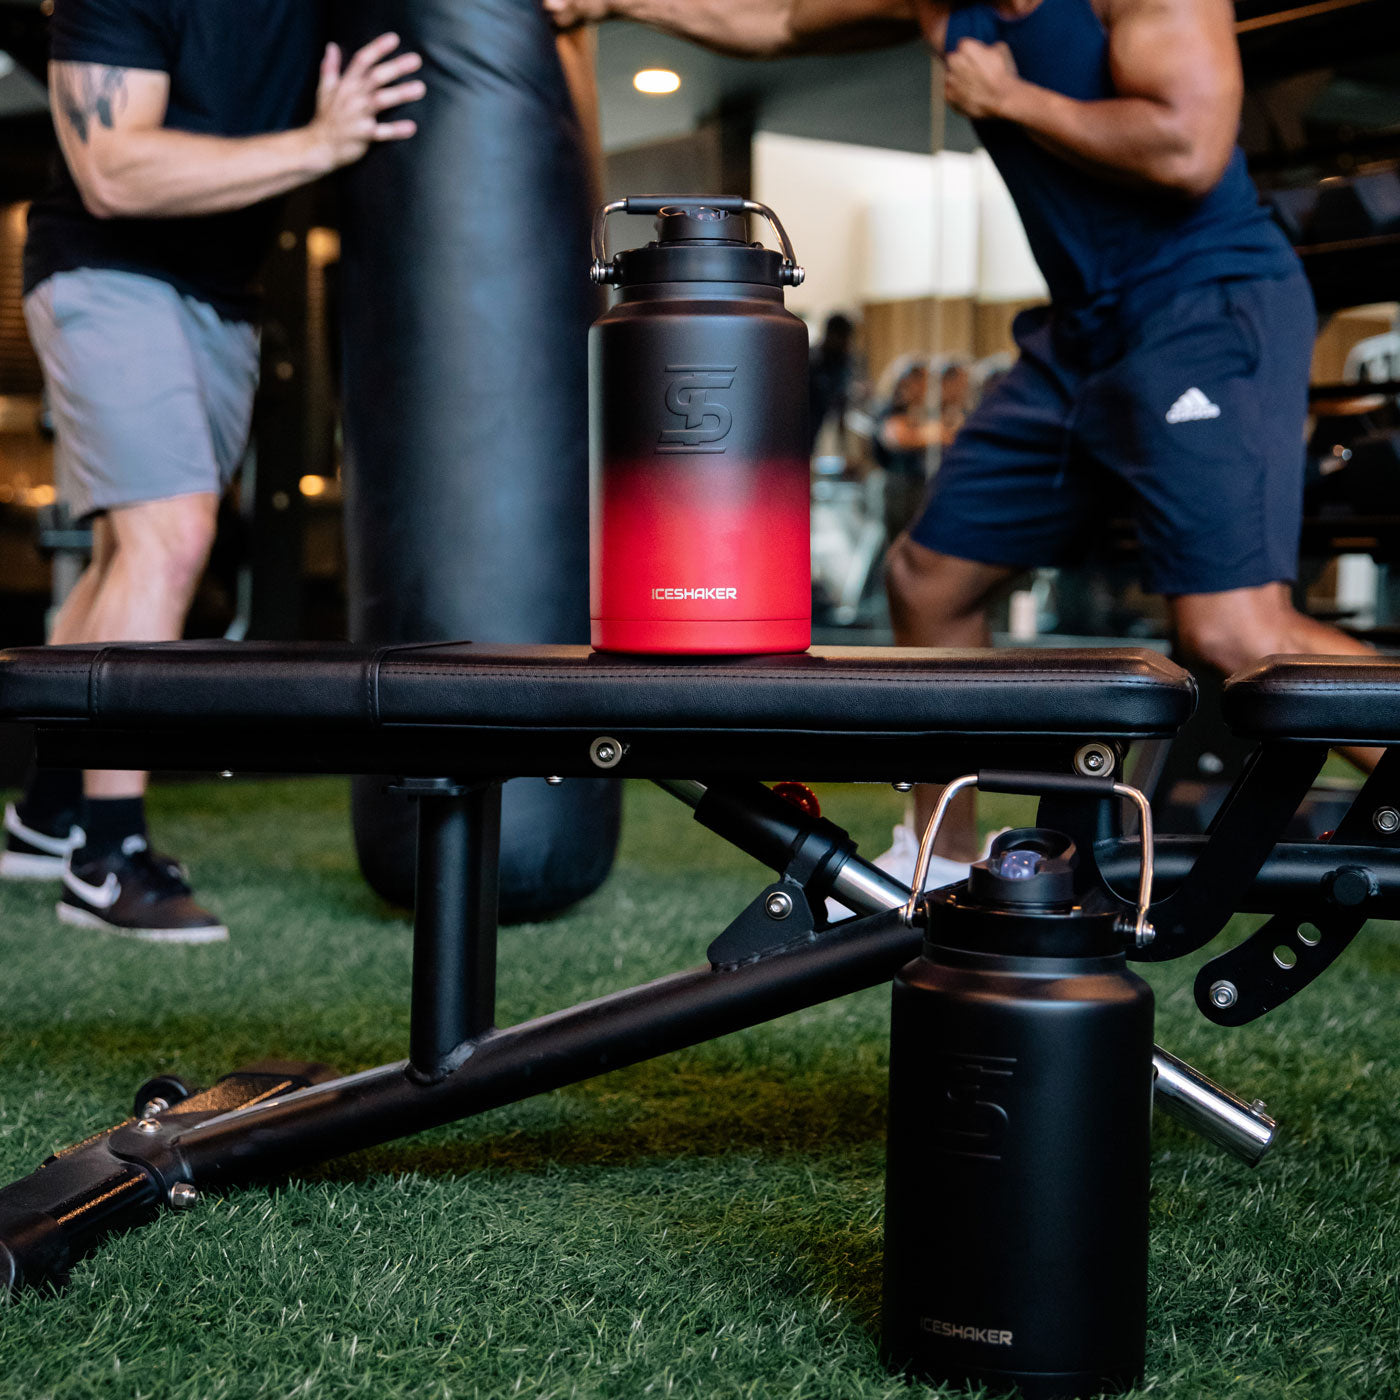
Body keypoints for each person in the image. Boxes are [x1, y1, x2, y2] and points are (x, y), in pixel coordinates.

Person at [545, 0, 1376, 888]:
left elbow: (1190, 148)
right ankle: (940, 858)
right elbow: (779, 21)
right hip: (1082, 333)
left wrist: (1011, 98)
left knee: (1233, 628)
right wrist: (615, 3)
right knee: (928, 581)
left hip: (1205, 304)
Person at [1, 1, 425, 940]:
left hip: (225, 299)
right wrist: (320, 143)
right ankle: (107, 859)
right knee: (171, 535)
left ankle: (46, 812)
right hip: (103, 271)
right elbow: (113, 170)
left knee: (127, 557)